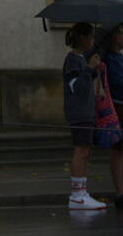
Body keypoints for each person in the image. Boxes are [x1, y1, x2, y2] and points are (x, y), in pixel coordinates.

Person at [62, 22, 107, 210]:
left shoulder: (81, 59)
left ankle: (82, 191)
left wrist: (94, 72)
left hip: (86, 112)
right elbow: (76, 87)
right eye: (91, 36)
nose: (93, 40)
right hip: (79, 113)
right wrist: (89, 68)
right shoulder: (72, 59)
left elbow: (90, 88)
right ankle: (77, 195)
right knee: (81, 151)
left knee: (86, 152)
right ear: (82, 38)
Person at [101, 23, 123, 208]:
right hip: (119, 108)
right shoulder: (110, 59)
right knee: (119, 150)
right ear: (115, 37)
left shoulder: (118, 58)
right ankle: (121, 192)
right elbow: (118, 83)